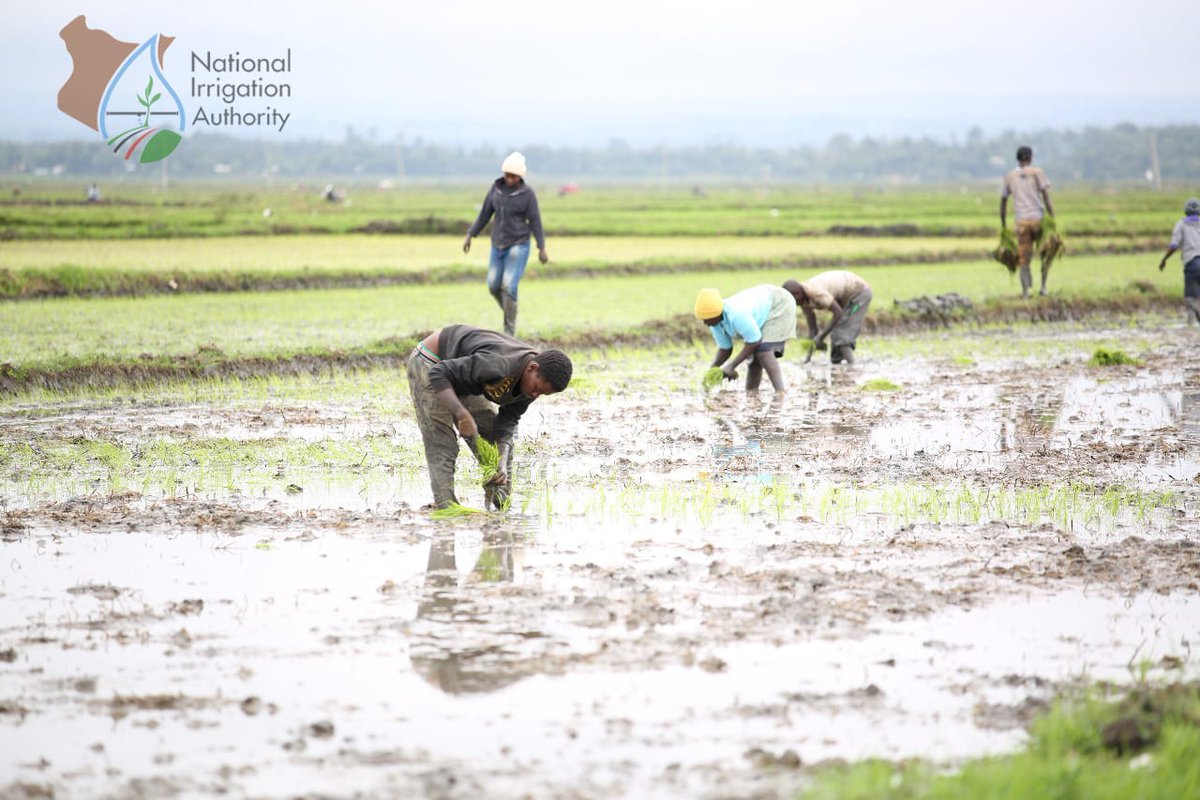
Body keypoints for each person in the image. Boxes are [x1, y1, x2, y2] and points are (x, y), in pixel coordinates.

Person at [406, 323, 572, 510]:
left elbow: (508, 422)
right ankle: (447, 508)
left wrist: (501, 460)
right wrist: (461, 415)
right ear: (532, 368)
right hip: (432, 362)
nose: (535, 395)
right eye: (537, 389)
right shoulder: (498, 364)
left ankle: (501, 504)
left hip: (465, 374)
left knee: (493, 437)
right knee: (442, 442)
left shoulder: (530, 387)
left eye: (542, 394)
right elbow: (438, 373)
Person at [462, 152, 548, 335]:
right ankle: (511, 312)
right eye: (508, 175)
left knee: (509, 286)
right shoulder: (496, 189)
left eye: (514, 176)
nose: (510, 179)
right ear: (504, 174)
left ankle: (510, 333)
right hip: (498, 244)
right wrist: (471, 234)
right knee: (493, 285)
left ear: (520, 177)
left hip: (518, 243)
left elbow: (535, 221)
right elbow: (485, 214)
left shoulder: (527, 194)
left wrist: (541, 247)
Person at [694, 284, 797, 392]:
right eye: (702, 319)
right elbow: (725, 349)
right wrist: (712, 369)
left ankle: (780, 392)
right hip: (762, 309)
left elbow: (754, 341)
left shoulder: (736, 314)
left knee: (763, 351)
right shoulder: (714, 323)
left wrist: (731, 366)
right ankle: (751, 393)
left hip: (779, 303)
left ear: (716, 314)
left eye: (706, 319)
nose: (705, 323)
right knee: (753, 358)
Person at [1000, 145, 1056, 298]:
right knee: (1047, 251)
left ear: (1018, 159)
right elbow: (1046, 198)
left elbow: (1003, 201)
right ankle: (1043, 287)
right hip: (1038, 220)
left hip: (1021, 222)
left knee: (1024, 257)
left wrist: (1004, 225)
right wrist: (1052, 219)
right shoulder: (1037, 172)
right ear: (1030, 158)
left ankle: (1026, 291)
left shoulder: (1009, 176)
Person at [784, 270, 872, 364]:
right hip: (844, 299)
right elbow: (813, 330)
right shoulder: (803, 301)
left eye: (792, 300)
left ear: (798, 293)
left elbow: (838, 313)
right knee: (835, 352)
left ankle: (852, 367)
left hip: (859, 294)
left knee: (842, 337)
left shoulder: (816, 293)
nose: (793, 304)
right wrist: (808, 359)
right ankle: (839, 366)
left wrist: (821, 337)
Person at [1157, 197, 1200, 325]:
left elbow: (1174, 246)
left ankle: (1190, 325)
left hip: (1192, 264)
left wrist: (1164, 259)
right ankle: (1193, 326)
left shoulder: (1181, 225)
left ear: (1185, 211)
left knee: (1191, 299)